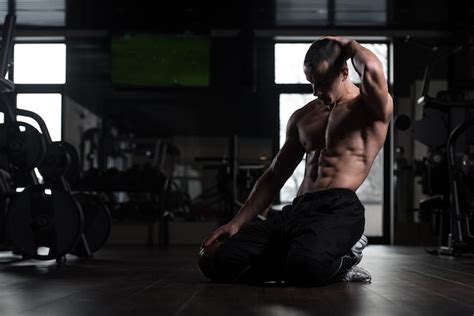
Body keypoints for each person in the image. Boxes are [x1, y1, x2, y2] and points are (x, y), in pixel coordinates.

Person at [199, 36, 393, 285]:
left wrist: (350, 45)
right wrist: (236, 223)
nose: (316, 91)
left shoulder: (371, 107)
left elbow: (373, 68)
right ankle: (298, 260)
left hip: (337, 208)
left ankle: (345, 255)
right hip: (298, 209)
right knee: (215, 258)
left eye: (322, 83)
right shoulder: (303, 116)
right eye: (311, 82)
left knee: (306, 265)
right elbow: (275, 174)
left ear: (345, 72)